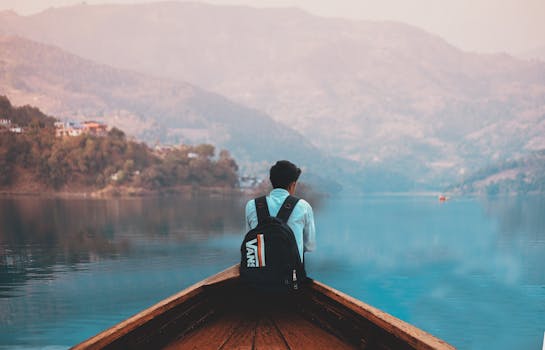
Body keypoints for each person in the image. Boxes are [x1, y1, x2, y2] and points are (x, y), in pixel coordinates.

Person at [245, 160, 316, 264]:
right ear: (293, 185)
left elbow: (250, 241)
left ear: (272, 181)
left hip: (257, 276)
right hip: (290, 277)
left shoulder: (252, 205)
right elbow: (310, 246)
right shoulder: (303, 207)